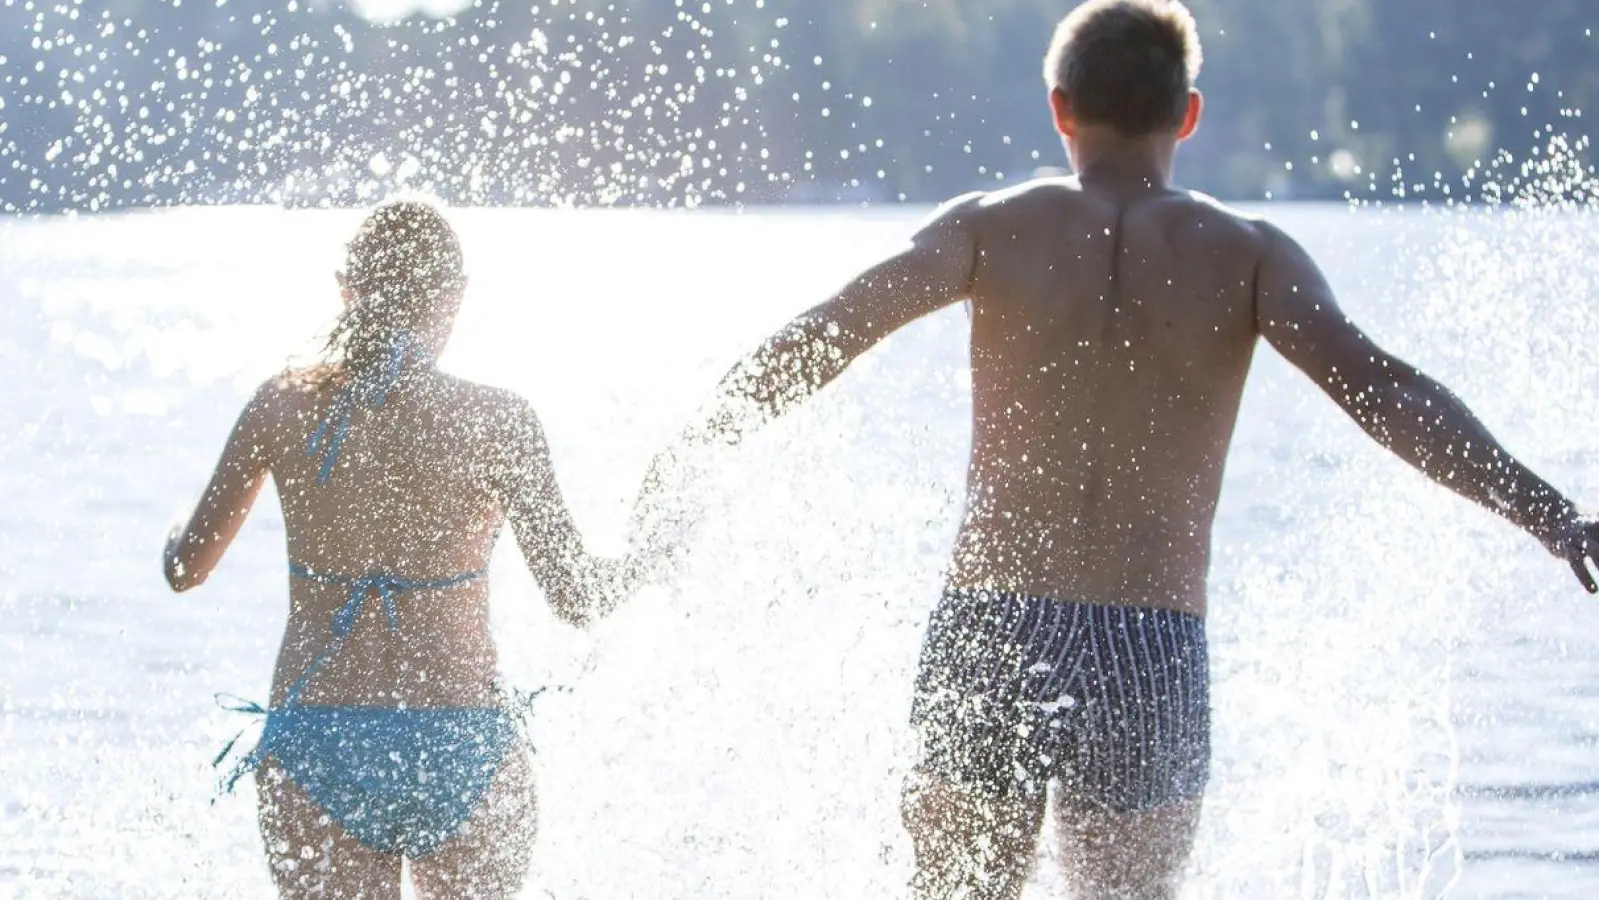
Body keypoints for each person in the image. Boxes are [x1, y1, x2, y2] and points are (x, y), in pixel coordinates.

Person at [630, 1, 1599, 897]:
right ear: (1187, 116)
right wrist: (1551, 514)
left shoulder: (991, 227)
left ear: (1060, 109)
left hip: (991, 627)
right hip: (1148, 642)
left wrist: (696, 440)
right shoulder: (1249, 255)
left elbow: (831, 329)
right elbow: (1387, 392)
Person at [163, 200, 629, 898]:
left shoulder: (280, 406)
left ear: (346, 289)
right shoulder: (500, 420)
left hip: (320, 740)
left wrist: (176, 528)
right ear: (455, 295)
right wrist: (655, 550)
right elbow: (577, 598)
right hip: (462, 743)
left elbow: (185, 571)